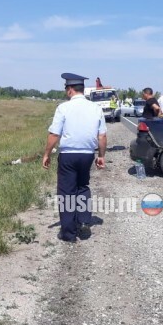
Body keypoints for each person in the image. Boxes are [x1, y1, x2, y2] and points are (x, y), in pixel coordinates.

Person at [43, 73, 107, 242]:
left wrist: (47, 154)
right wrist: (101, 156)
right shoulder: (96, 108)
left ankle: (68, 233)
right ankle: (84, 220)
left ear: (70, 90)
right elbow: (102, 136)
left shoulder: (63, 108)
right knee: (82, 187)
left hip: (68, 156)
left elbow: (54, 134)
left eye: (66, 89)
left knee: (66, 193)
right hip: (87, 155)